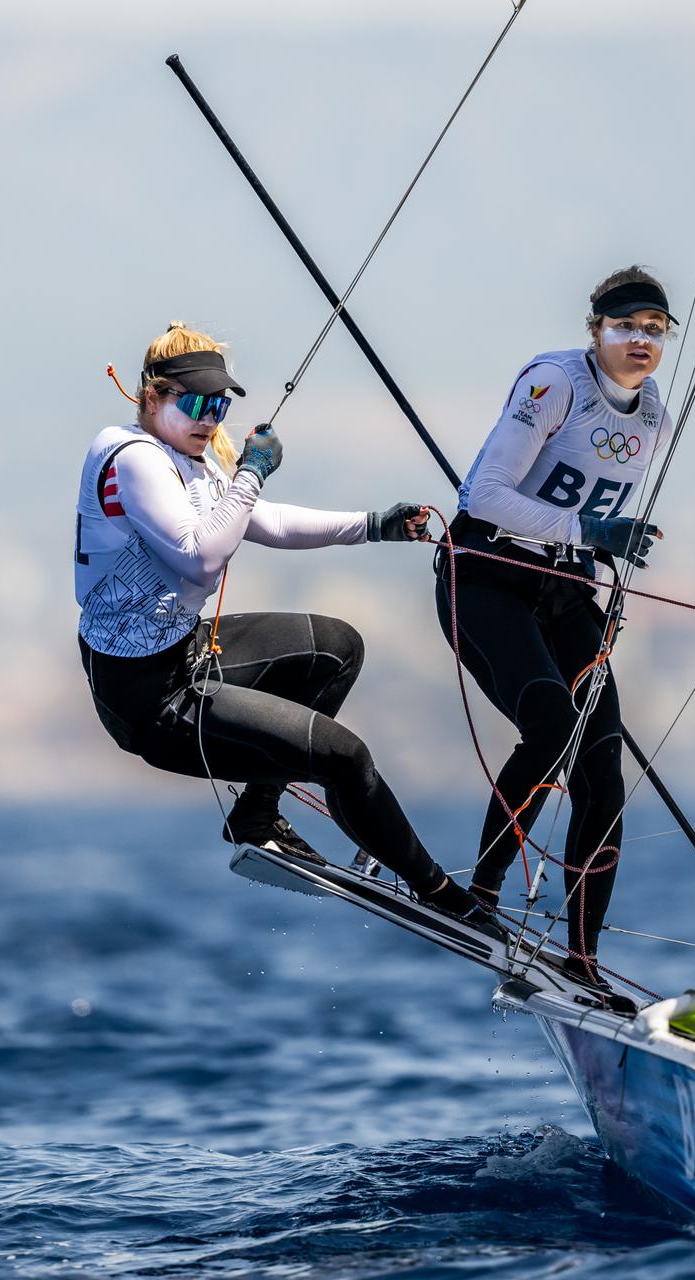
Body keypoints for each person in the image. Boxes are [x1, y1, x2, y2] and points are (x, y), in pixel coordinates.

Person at [77, 321, 498, 934]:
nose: (209, 418)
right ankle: (442, 896)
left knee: (336, 648)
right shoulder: (134, 460)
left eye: (219, 406)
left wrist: (373, 524)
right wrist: (250, 473)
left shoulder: (185, 457)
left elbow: (263, 521)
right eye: (195, 403)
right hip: (146, 699)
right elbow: (200, 554)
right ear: (151, 397)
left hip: (184, 655)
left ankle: (258, 811)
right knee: (345, 757)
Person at [435, 267, 675, 1009]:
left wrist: (604, 543)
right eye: (625, 326)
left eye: (655, 330)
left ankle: (581, 958)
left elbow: (591, 515)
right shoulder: (554, 384)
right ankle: (481, 895)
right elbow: (487, 495)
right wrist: (593, 529)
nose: (640, 341)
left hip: (567, 590)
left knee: (602, 762)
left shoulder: (656, 416)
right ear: (594, 330)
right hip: (484, 573)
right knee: (549, 724)